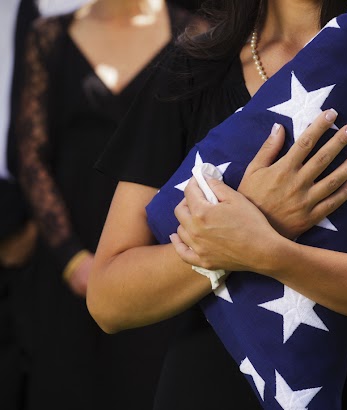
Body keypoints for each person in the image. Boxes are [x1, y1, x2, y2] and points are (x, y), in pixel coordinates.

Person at [88, 1, 347, 409]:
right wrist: (231, 238)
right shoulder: (189, 70)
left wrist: (272, 252)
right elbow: (109, 300)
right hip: (205, 388)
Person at [15, 1, 201, 409]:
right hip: (67, 267)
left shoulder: (198, 37)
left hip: (160, 267)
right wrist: (72, 259)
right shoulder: (48, 36)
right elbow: (29, 158)